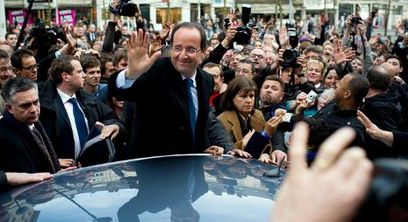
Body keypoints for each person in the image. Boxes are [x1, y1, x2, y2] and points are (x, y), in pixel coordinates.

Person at [109, 23, 218, 159]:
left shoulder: (207, 80)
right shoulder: (156, 71)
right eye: (178, 48)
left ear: (203, 51)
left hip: (191, 170)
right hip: (153, 171)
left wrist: (203, 149)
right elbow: (122, 92)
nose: (182, 55)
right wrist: (131, 75)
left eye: (190, 49)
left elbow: (198, 124)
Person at [260, 122, 373, 222]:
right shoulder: (282, 157)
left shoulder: (321, 185)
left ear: (310, 146)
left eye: (293, 138)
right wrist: (264, 159)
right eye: (290, 136)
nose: (289, 139)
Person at [39, 55, 123, 164]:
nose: (84, 75)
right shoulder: (45, 107)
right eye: (79, 72)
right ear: (66, 76)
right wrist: (54, 162)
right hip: (64, 173)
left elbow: (111, 118)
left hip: (92, 168)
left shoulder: (89, 100)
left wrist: (113, 126)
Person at [0, 77, 61, 173]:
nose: (33, 110)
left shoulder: (35, 123)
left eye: (36, 102)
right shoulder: (6, 138)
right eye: (25, 105)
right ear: (9, 108)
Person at [217, 76, 282, 162]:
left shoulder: (258, 115)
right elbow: (223, 154)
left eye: (251, 96)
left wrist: (264, 154)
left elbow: (267, 144)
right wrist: (243, 143)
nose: (249, 100)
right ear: (232, 98)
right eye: (243, 96)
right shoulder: (221, 120)